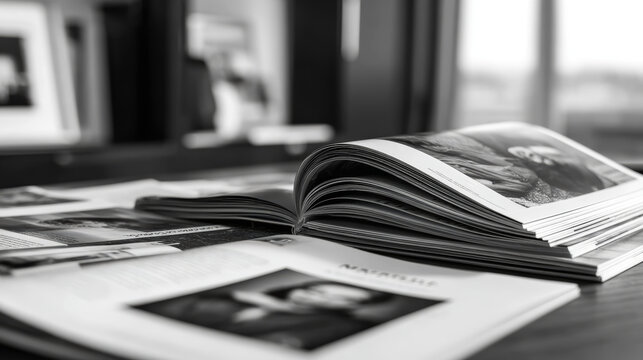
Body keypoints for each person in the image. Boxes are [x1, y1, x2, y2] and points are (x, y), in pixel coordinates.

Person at [139, 280, 392, 350]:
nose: (317, 297)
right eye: (315, 289)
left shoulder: (339, 326)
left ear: (349, 307)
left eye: (342, 299)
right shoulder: (232, 298)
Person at [507, 145, 606, 194]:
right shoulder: (540, 169)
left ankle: (594, 187)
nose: (528, 156)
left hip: (566, 167)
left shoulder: (542, 151)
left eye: (526, 153)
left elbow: (569, 160)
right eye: (522, 155)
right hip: (555, 174)